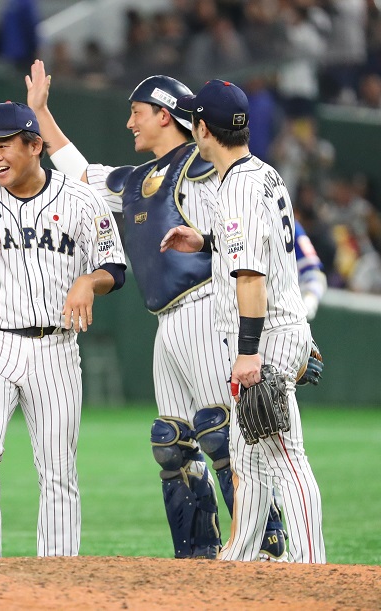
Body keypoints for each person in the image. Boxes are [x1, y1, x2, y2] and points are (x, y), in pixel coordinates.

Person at [26, 60, 286, 561]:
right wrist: (41, 113)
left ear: (167, 115)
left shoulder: (206, 166)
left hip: (208, 308)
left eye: (138, 112)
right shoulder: (141, 177)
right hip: (166, 321)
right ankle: (196, 559)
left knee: (219, 430)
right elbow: (79, 175)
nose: (130, 122)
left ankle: (267, 547)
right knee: (172, 442)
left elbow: (253, 235)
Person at [0, 101, 127, 558]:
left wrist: (87, 281)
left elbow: (115, 268)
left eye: (4, 144)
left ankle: (58, 575)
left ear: (35, 145)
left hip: (55, 347)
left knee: (57, 468)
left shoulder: (82, 199)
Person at [160, 79, 326, 563]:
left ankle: (312, 566)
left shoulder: (237, 188)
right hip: (280, 326)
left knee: (285, 457)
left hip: (265, 335)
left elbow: (251, 277)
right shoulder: (265, 173)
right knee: (248, 456)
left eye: (194, 121)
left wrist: (249, 353)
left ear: (203, 129)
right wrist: (207, 240)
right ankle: (240, 557)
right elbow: (258, 247)